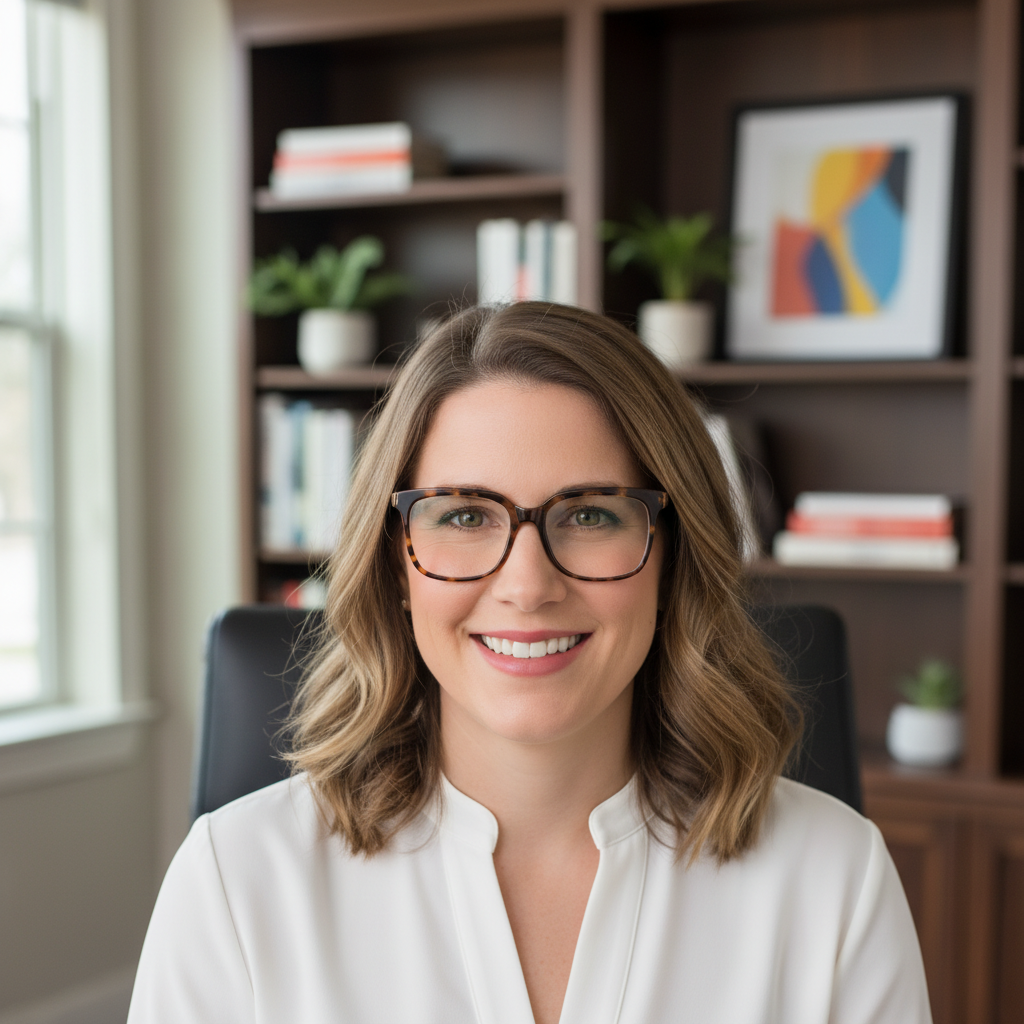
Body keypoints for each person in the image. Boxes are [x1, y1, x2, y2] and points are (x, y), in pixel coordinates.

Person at [128, 302, 931, 1024]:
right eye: (465, 515)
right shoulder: (235, 882)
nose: (527, 585)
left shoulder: (833, 879)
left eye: (588, 514)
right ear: (395, 564)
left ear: (673, 556)